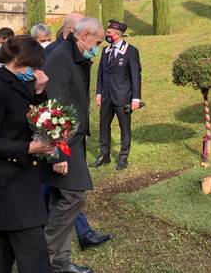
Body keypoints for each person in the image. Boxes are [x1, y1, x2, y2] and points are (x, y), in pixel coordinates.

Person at [0, 35, 54, 273]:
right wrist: (29, 148)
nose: (36, 71)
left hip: (20, 180)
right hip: (7, 185)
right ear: (19, 63)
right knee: (35, 255)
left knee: (1, 255)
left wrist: (40, 92)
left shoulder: (18, 83)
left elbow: (31, 117)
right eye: (34, 66)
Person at [33, 21, 112, 251]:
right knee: (74, 196)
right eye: (97, 42)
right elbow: (52, 106)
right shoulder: (60, 57)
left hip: (72, 138)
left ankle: (61, 263)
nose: (98, 48)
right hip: (63, 142)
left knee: (62, 197)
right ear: (84, 35)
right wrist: (57, 153)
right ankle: (43, 258)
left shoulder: (75, 54)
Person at [92, 20, 142, 171]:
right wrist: (99, 92)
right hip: (106, 97)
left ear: (117, 35)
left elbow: (136, 76)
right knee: (103, 126)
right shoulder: (105, 51)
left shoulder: (130, 51)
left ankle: (123, 158)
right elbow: (100, 73)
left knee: (124, 128)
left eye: (108, 33)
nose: (106, 35)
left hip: (123, 97)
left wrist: (136, 98)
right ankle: (104, 155)